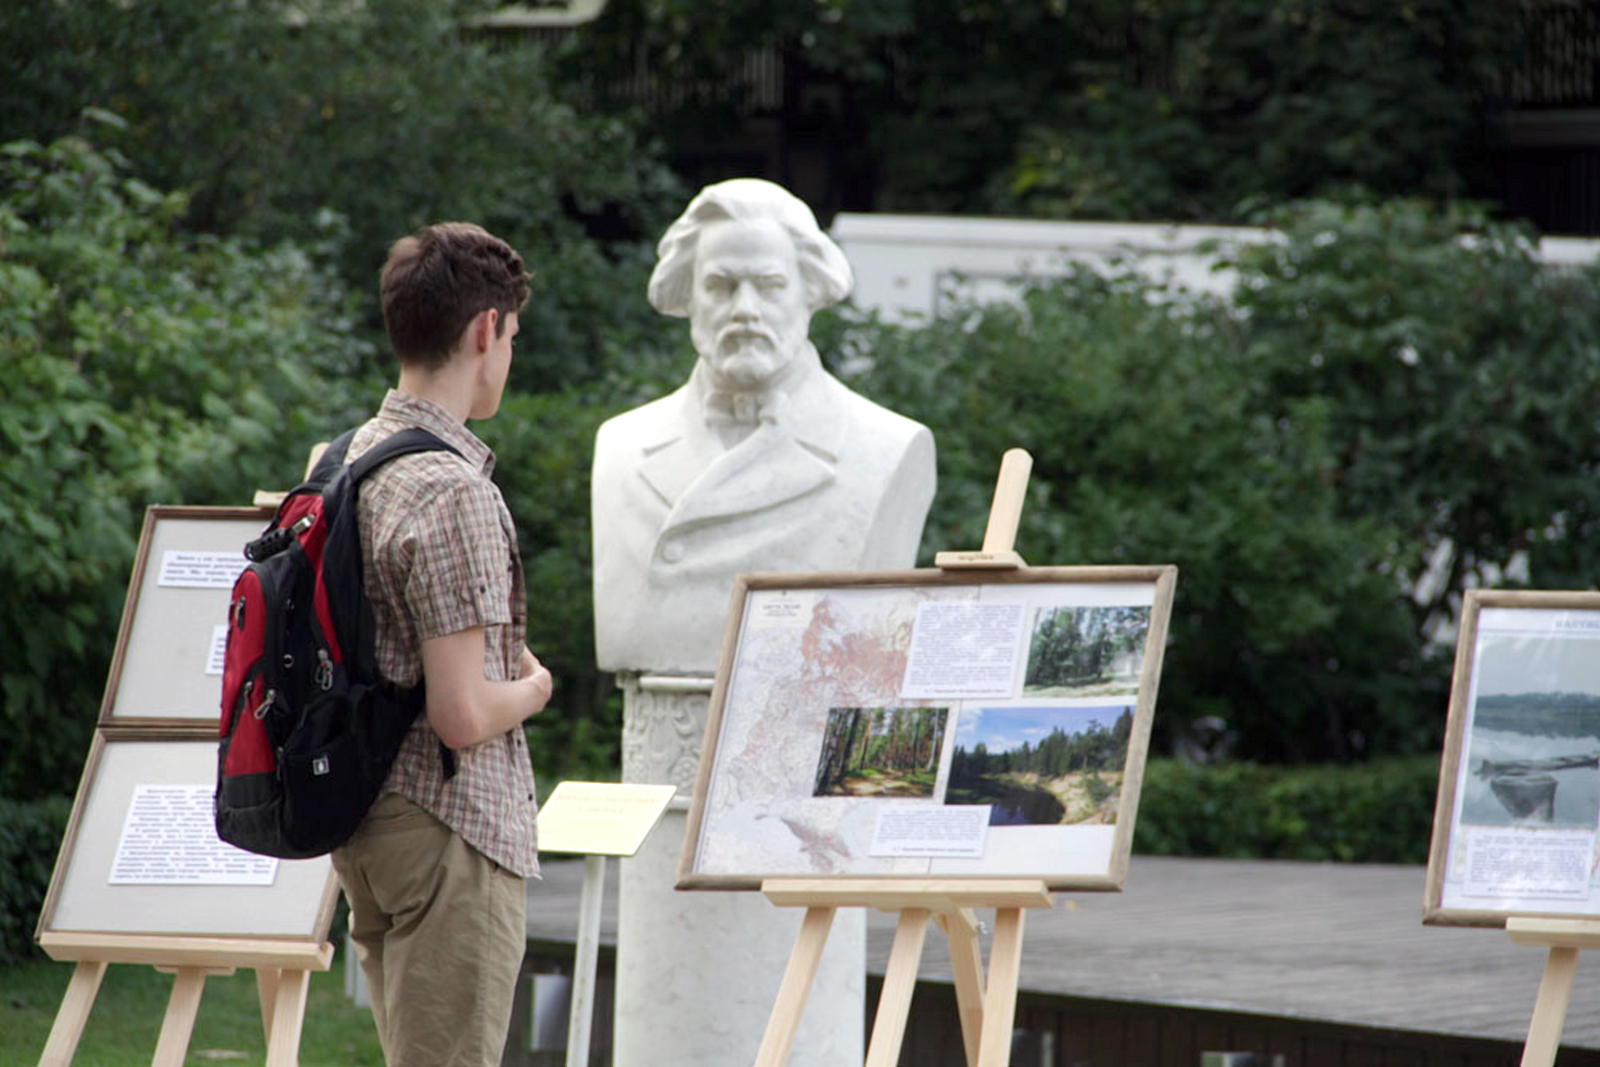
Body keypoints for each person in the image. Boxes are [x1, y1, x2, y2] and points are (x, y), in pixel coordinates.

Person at [331, 222, 553, 1067]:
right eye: (511, 338)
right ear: (484, 330)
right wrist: (533, 687)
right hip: (448, 828)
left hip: (369, 820)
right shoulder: (450, 489)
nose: (508, 358)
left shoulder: (350, 455)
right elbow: (462, 713)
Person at [592, 177, 937, 675]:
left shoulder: (886, 447)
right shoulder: (623, 444)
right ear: (687, 295)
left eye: (770, 285)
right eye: (720, 285)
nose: (745, 310)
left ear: (808, 292)